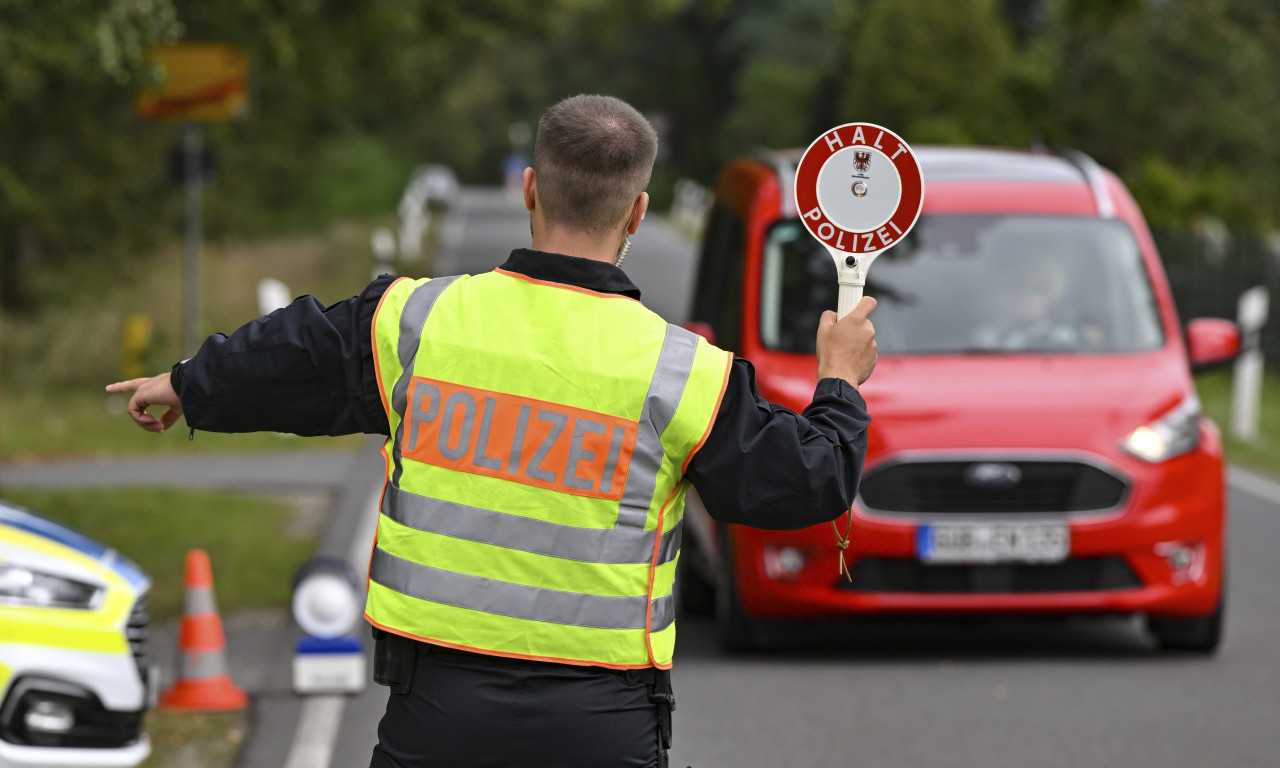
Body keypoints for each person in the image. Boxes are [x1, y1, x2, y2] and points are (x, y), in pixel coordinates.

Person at [107, 94, 877, 768]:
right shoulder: (685, 373)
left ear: (530, 189)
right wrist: (838, 380)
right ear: (638, 211)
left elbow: (296, 353)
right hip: (601, 724)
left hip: (437, 713)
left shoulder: (417, 319)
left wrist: (185, 383)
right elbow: (808, 482)